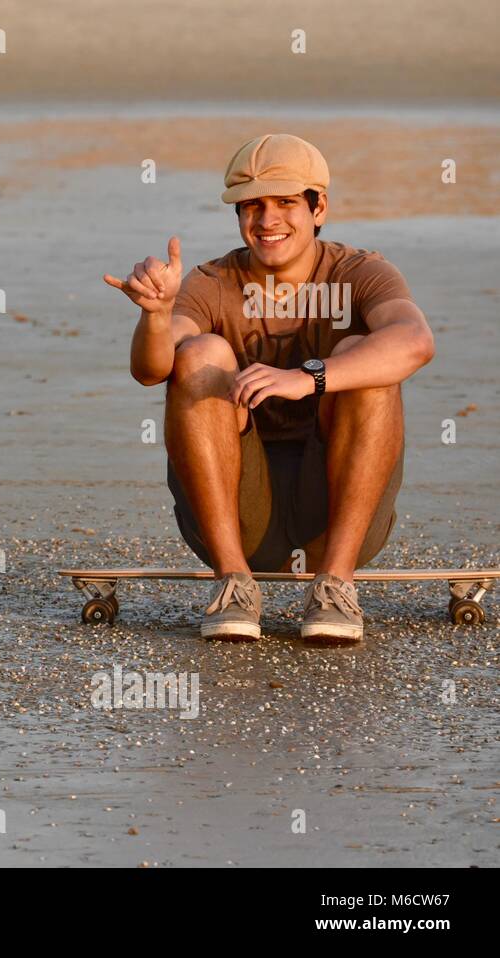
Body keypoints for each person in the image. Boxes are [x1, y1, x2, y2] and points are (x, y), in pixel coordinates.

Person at [104, 134, 434, 643]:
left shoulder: (361, 271)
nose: (267, 220)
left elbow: (415, 341)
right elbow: (151, 370)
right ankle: (233, 587)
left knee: (363, 359)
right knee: (200, 355)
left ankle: (335, 589)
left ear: (318, 206)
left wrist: (308, 378)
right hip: (233, 522)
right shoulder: (212, 281)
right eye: (252, 206)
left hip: (335, 525)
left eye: (285, 203)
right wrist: (156, 316)